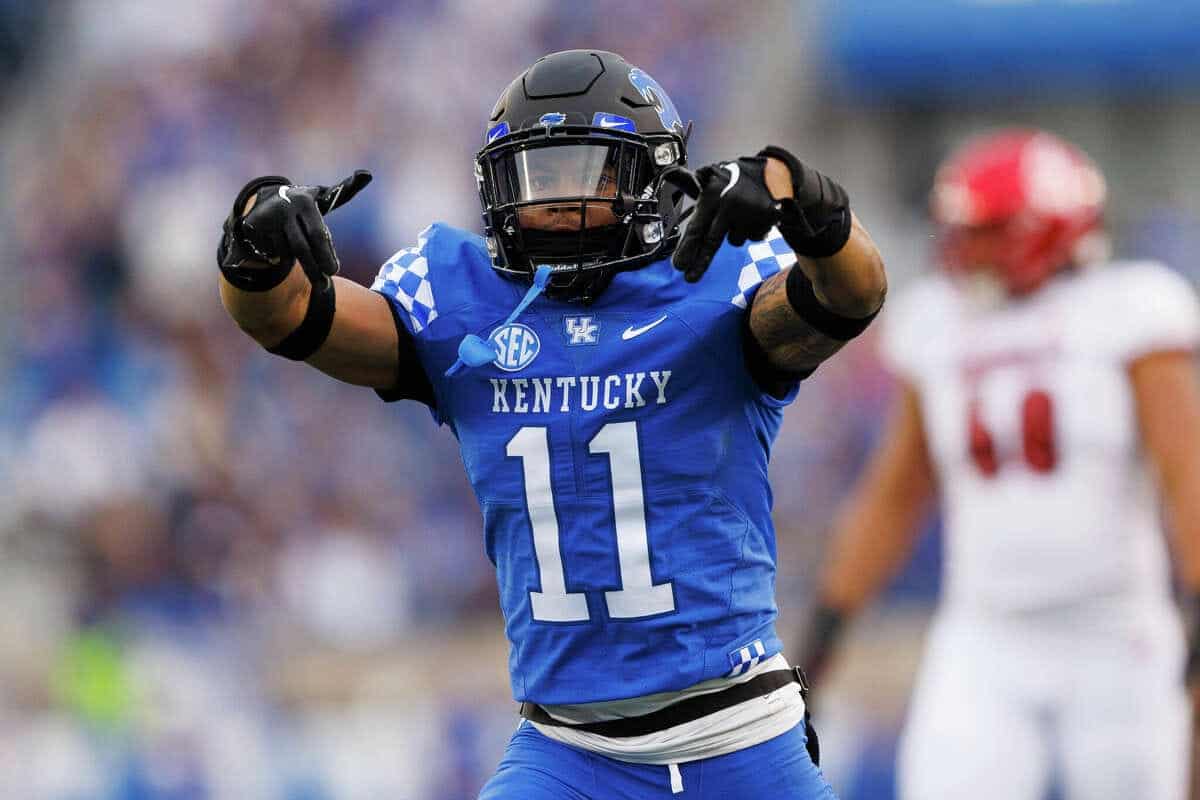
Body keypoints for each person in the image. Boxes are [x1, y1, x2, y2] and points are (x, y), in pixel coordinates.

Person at [217, 50, 886, 799]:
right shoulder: (460, 299)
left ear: (657, 183)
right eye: (536, 180)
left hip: (740, 737)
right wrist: (252, 247)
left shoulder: (718, 285)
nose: (556, 206)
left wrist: (811, 212)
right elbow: (287, 318)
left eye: (588, 177)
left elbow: (850, 297)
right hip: (569, 751)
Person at [798, 128, 1200, 800]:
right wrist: (826, 629)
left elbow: (1186, 475)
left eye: (986, 232)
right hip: (986, 634)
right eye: (961, 232)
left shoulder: (1130, 310)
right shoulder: (936, 322)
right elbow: (895, 495)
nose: (965, 250)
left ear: (1048, 230)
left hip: (1116, 630)